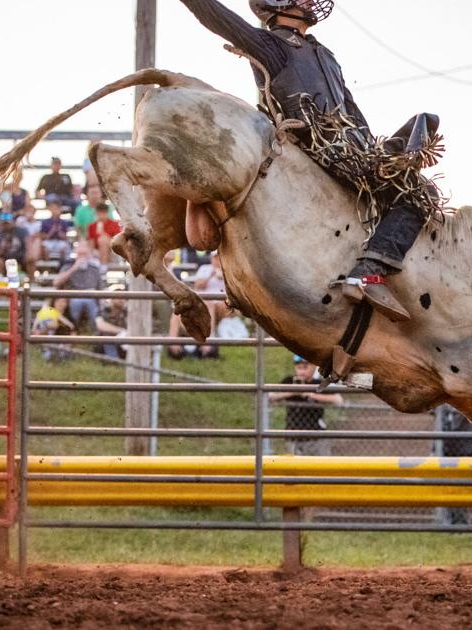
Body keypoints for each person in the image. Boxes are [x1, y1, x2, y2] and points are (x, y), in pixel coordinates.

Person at [181, 0, 442, 324]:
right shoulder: (272, 45)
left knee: (427, 121)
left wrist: (381, 157)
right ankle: (368, 271)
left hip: (356, 151)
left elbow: (352, 112)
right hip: (321, 148)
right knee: (419, 193)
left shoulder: (325, 55)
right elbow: (216, 16)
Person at [269, 355, 343, 456]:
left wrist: (311, 394)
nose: (302, 372)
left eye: (305, 368)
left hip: (316, 436)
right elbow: (271, 396)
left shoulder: (318, 383)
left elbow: (338, 400)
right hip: (293, 435)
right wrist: (293, 392)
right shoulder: (289, 381)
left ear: (313, 367)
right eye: (299, 368)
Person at [53, 240, 106, 332]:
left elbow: (101, 288)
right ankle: (74, 331)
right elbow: (56, 283)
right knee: (78, 302)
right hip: (73, 298)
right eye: (80, 254)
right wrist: (74, 268)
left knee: (94, 304)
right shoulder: (68, 267)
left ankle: (96, 334)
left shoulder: (94, 269)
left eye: (84, 254)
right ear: (75, 254)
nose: (82, 257)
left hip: (92, 298)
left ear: (89, 254)